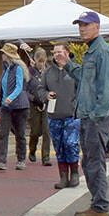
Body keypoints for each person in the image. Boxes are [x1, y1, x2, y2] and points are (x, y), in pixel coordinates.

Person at [73, 11, 109, 216]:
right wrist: (67, 64)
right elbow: (85, 80)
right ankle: (97, 205)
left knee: (94, 162)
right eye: (80, 25)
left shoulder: (102, 51)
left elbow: (108, 89)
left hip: (96, 117)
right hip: (90, 116)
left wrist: (95, 116)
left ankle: (101, 207)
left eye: (86, 24)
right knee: (90, 161)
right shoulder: (93, 51)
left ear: (97, 27)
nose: (82, 28)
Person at [45, 42, 82, 189]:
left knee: (71, 144)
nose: (57, 55)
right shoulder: (48, 72)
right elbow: (40, 89)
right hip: (54, 115)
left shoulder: (76, 69)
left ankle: (74, 173)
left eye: (60, 52)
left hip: (71, 115)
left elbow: (83, 88)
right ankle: (63, 176)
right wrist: (45, 95)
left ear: (67, 52)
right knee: (59, 146)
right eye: (55, 52)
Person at [0, 42, 31, 171]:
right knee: (3, 133)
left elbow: (19, 86)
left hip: (19, 106)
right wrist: (1, 102)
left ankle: (21, 159)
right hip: (6, 107)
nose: (2, 55)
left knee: (20, 134)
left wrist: (10, 98)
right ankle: (1, 160)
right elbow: (3, 87)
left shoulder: (18, 68)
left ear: (8, 55)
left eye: (3, 53)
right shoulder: (6, 69)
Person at [26, 48, 52, 165]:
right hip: (34, 105)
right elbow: (25, 90)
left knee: (47, 131)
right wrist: (34, 100)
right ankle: (32, 150)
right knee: (35, 131)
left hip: (47, 104)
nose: (41, 64)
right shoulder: (30, 72)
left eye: (43, 61)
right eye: (39, 61)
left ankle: (45, 157)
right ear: (35, 60)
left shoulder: (49, 72)